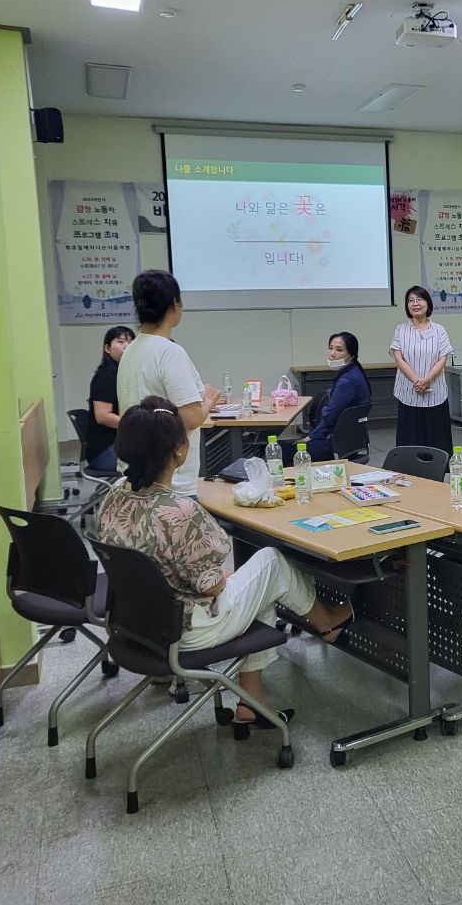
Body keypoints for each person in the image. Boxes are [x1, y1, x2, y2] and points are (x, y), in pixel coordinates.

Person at [96, 397, 354, 732]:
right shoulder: (180, 512)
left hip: (138, 622)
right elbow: (212, 586)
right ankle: (326, 622)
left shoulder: (114, 494)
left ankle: (252, 701)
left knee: (256, 587)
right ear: (179, 451)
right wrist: (220, 578)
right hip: (187, 630)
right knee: (271, 563)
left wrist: (218, 579)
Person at [117, 270, 221, 497]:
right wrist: (208, 401)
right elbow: (191, 419)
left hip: (137, 471)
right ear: (175, 304)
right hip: (170, 478)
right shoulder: (169, 352)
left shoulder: (131, 349)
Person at [283, 331, 370, 465]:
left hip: (336, 444)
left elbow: (329, 416)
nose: (332, 353)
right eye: (330, 348)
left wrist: (310, 437)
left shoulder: (347, 381)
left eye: (339, 349)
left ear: (351, 354)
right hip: (350, 441)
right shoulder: (355, 371)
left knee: (282, 450)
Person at [389, 285, 453, 455]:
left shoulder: (439, 330)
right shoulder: (400, 329)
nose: (415, 304)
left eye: (419, 299)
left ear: (428, 303)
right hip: (408, 392)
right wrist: (416, 381)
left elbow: (443, 358)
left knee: (436, 438)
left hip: (435, 393)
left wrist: (427, 380)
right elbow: (398, 358)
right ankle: (411, 474)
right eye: (411, 300)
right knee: (410, 439)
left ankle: (437, 473)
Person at [83, 325, 135, 470]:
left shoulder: (122, 373)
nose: (127, 346)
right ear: (107, 348)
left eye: (130, 342)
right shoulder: (106, 376)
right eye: (120, 342)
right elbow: (103, 416)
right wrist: (137, 425)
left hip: (118, 443)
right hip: (104, 452)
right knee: (153, 458)